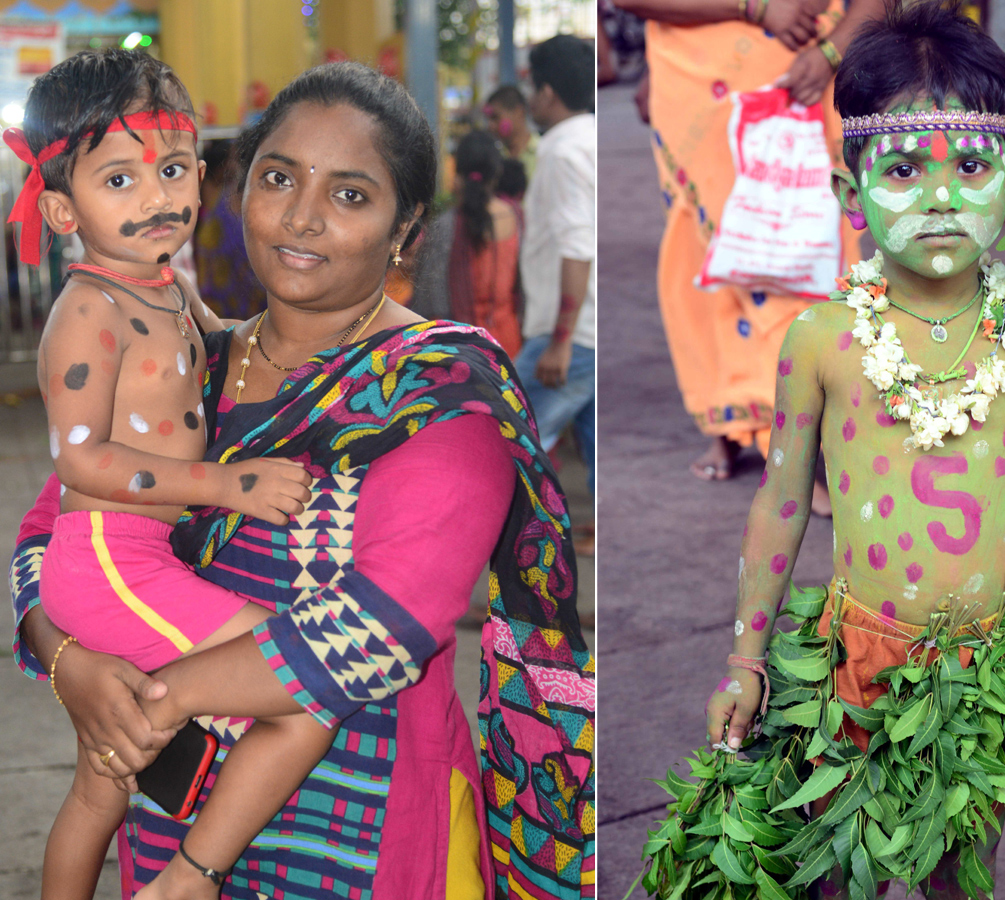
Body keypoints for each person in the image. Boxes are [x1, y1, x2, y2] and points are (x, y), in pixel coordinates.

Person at [10, 61, 595, 900]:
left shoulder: (436, 393)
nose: (303, 217)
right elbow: (47, 531)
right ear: (240, 189)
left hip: (363, 835)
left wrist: (150, 698)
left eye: (351, 195)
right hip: (170, 812)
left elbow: (383, 628)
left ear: (406, 230)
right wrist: (67, 662)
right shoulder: (191, 360)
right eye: (279, 178)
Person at [705, 3, 1005, 889]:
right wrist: (745, 660)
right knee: (837, 870)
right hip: (853, 665)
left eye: (971, 165)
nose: (939, 197)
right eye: (902, 169)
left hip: (990, 676)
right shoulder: (822, 342)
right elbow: (780, 504)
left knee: (963, 869)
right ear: (850, 195)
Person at [6, 48, 336, 900]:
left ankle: (162, 745)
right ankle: (188, 876)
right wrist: (231, 487)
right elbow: (80, 461)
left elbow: (228, 343)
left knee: (100, 787)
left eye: (173, 168)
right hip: (110, 561)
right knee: (302, 679)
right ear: (60, 208)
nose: (158, 198)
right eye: (118, 180)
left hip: (140, 562)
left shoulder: (163, 282)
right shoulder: (86, 312)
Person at [613, 0, 884, 486]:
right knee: (708, 243)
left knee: (803, 241)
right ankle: (728, 416)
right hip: (696, 78)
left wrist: (830, 54)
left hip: (804, 70)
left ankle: (802, 440)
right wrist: (753, 7)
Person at [515, 35, 596, 511]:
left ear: (546, 93)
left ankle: (523, 560)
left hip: (570, 336)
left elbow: (577, 247)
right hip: (586, 331)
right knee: (593, 452)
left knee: (508, 443)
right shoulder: (586, 140)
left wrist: (561, 339)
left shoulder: (561, 152)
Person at [410, 130, 523, 358]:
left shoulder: (447, 226)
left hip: (461, 352)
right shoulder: (517, 217)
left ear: (457, 174)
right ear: (497, 172)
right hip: (510, 347)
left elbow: (430, 303)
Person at [194, 138, 268, 320]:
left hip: (240, 295)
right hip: (222, 292)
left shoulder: (225, 196)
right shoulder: (222, 194)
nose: (233, 164)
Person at [485, 84, 539, 185]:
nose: (491, 126)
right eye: (488, 119)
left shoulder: (542, 152)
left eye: (495, 117)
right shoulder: (493, 157)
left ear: (519, 112)